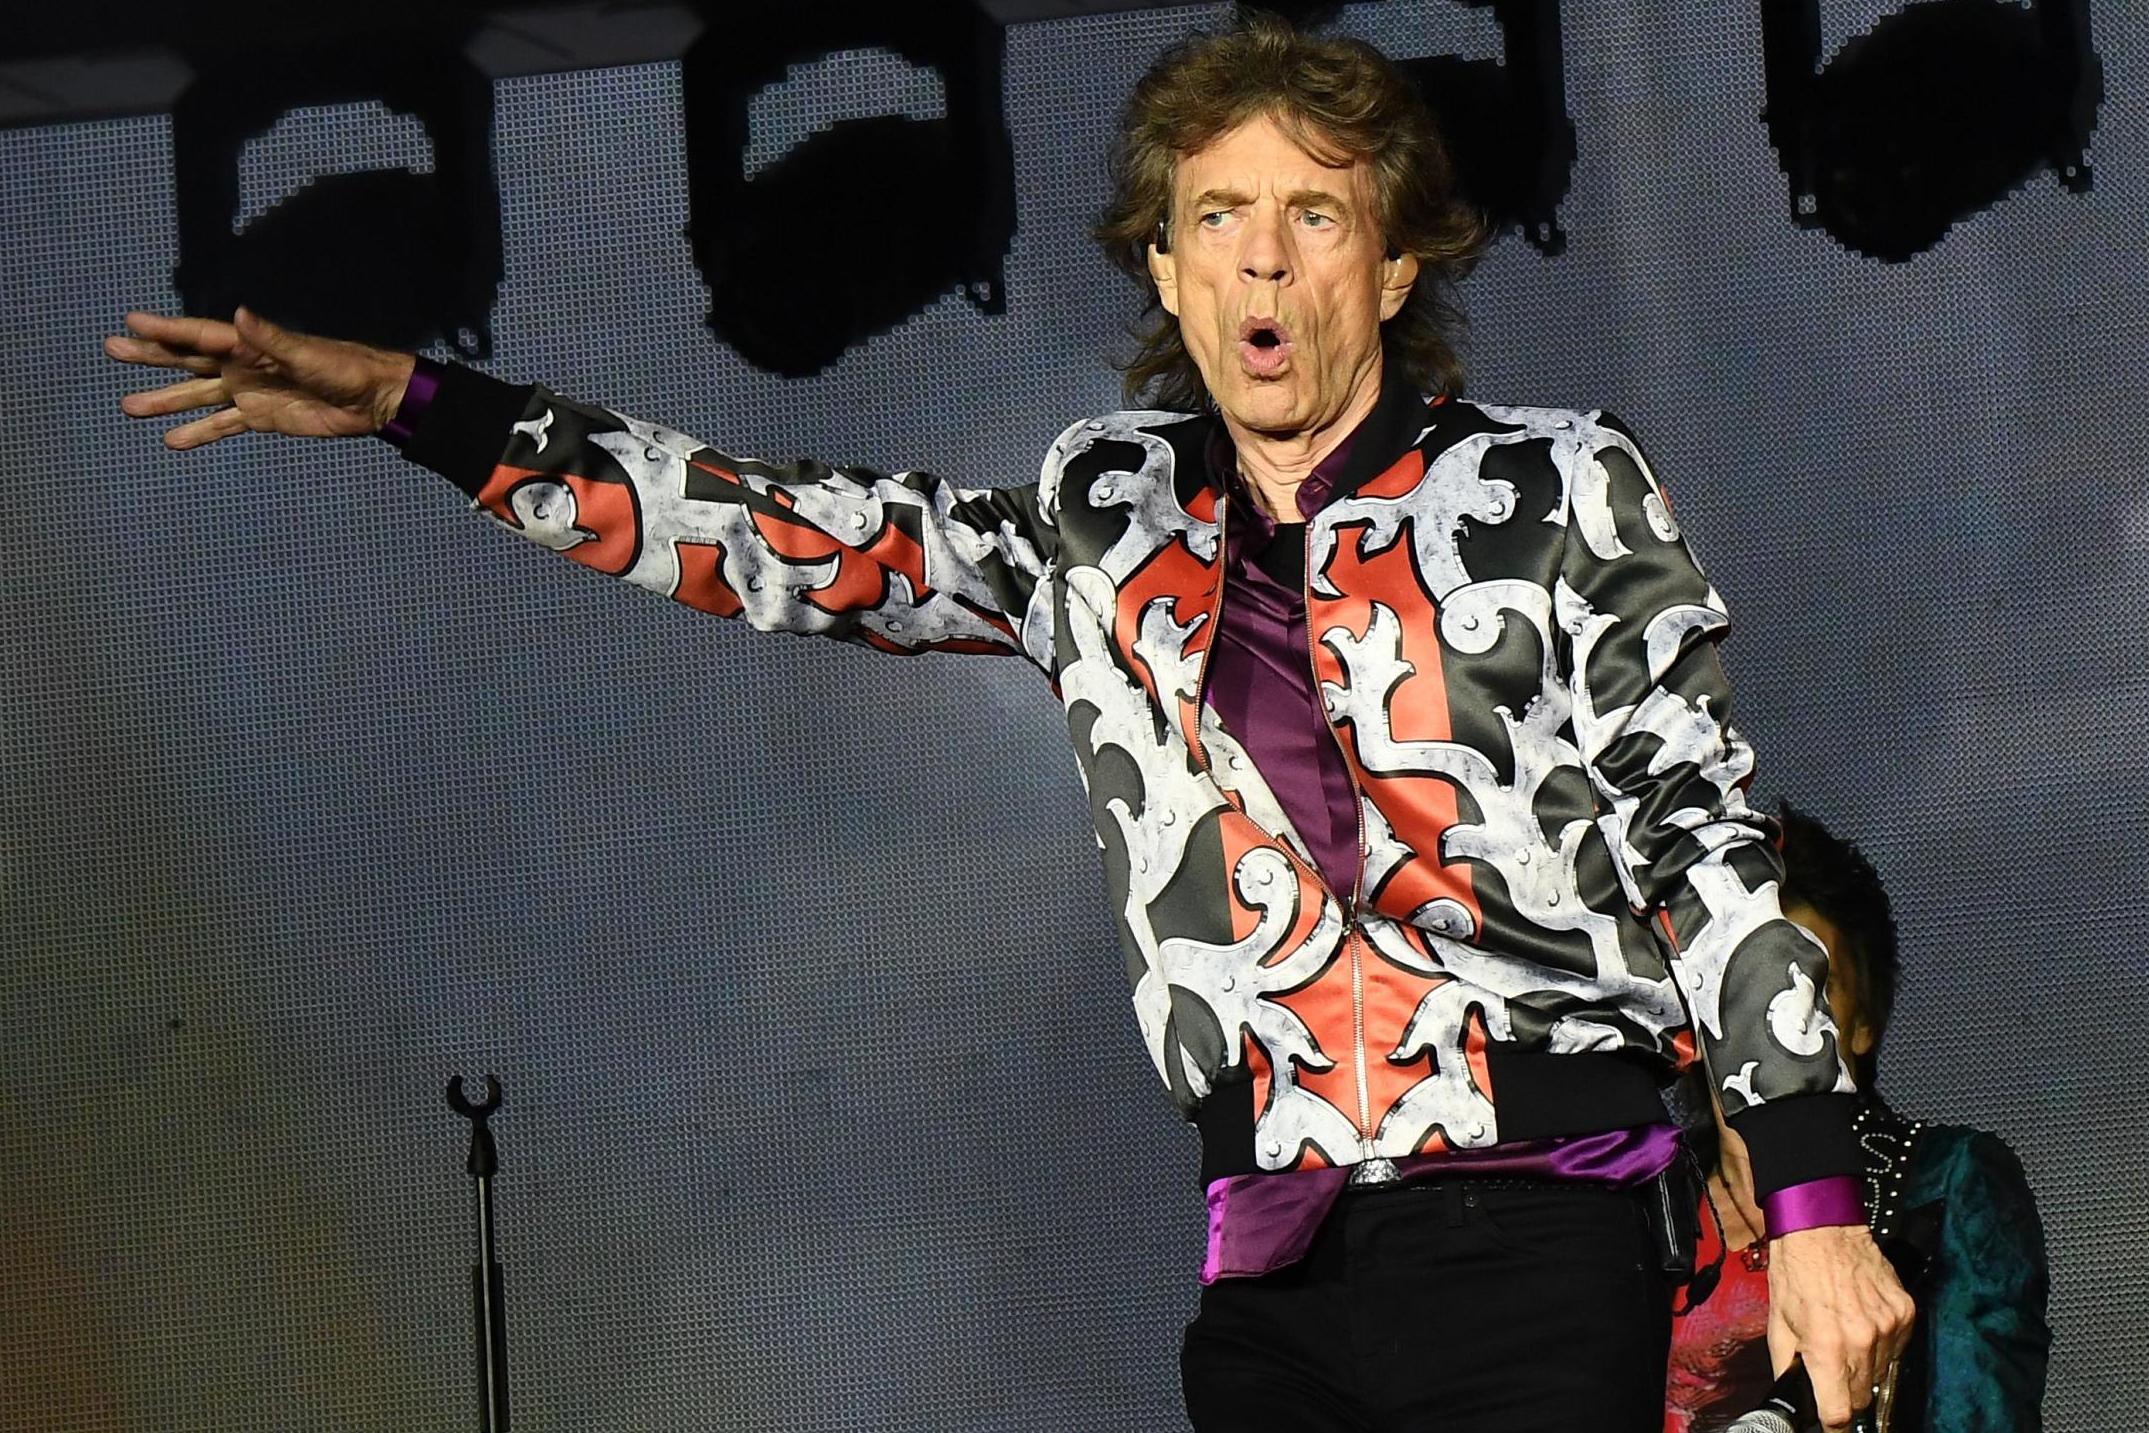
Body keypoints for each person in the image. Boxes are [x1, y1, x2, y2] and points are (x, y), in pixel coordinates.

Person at [103, 16, 1911, 1431]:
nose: (1260, 263)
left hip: (1532, 1208)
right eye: (1216, 219)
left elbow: (1702, 840)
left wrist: (1813, 1208)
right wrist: (425, 408)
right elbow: (786, 537)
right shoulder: (1101, 518)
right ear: (1163, 269)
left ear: (1388, 265)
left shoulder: (1555, 485)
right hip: (1272, 1259)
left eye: (1311, 216)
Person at [1665, 805, 2049, 1433]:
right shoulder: (1644, 1208)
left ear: (1864, 1020)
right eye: (1739, 989)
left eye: (1810, 987)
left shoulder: (1949, 1179)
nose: (1775, 1023)